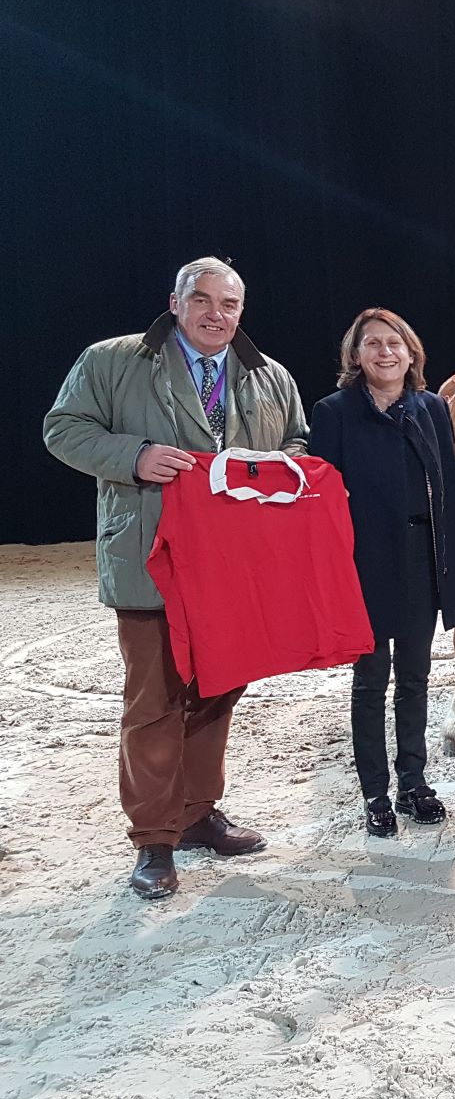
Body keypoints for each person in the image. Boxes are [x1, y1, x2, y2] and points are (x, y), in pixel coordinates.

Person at [42, 257, 307, 899]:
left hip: (231, 568)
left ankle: (196, 814)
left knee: (218, 689)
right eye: (204, 301)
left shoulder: (268, 376)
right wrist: (134, 456)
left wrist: (268, 472)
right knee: (155, 699)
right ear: (176, 302)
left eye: (230, 305)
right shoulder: (113, 361)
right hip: (148, 560)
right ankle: (154, 840)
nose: (217, 315)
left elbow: (297, 445)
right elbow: (61, 429)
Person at [308, 309, 455, 837]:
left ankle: (413, 783)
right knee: (369, 684)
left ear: (411, 354)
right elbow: (322, 501)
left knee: (414, 679)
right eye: (373, 345)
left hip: (422, 566)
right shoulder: (334, 412)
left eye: (395, 343)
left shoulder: (431, 408)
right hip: (364, 569)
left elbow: (446, 485)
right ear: (355, 357)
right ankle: (375, 794)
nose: (385, 352)